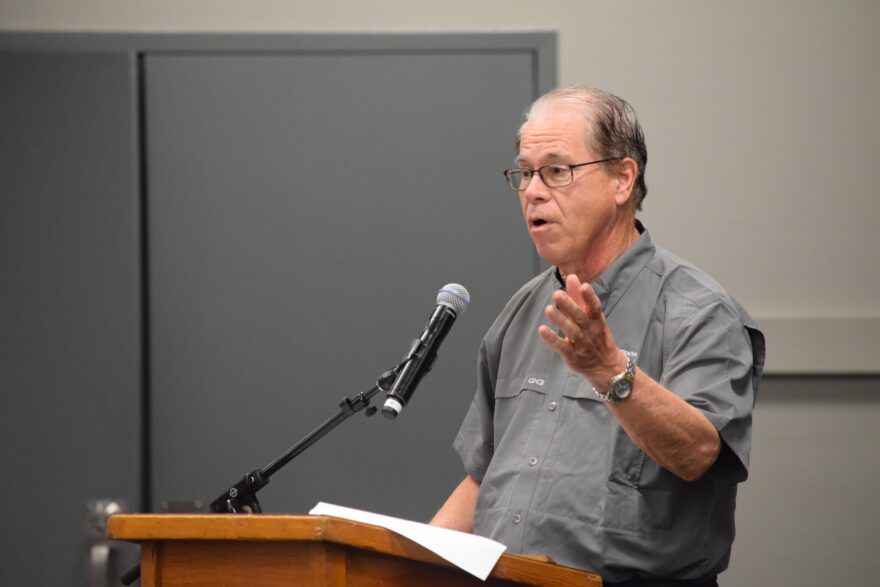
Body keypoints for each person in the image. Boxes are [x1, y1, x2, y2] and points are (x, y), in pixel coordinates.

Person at [430, 86, 765, 587]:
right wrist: (407, 558)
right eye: (525, 172)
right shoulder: (524, 309)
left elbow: (698, 454)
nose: (533, 191)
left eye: (557, 170)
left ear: (622, 180)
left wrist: (609, 370)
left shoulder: (698, 311)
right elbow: (486, 476)